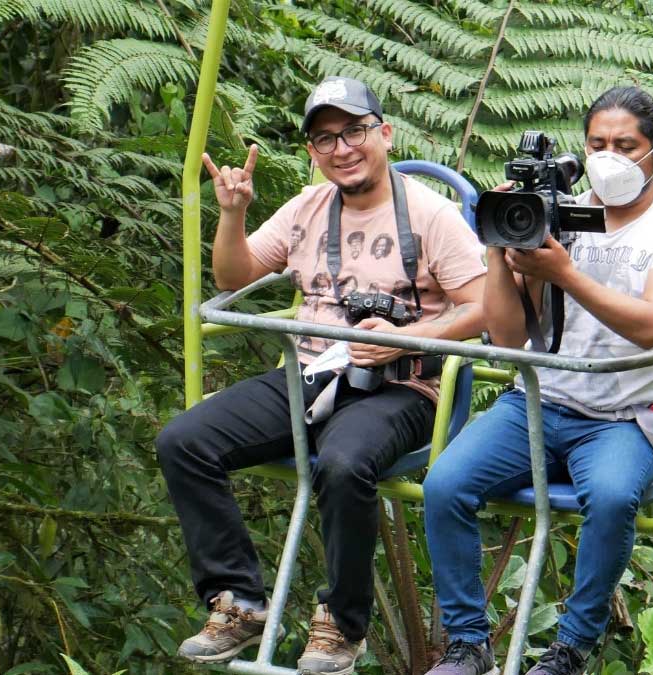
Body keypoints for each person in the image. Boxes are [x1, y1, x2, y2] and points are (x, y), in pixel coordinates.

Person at [156, 75, 487, 675]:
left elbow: (484, 306)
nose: (342, 148)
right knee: (184, 442)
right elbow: (234, 277)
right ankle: (238, 601)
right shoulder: (306, 208)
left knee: (342, 460)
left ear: (383, 133)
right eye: (325, 138)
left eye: (354, 131)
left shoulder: (432, 215)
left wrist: (404, 339)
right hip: (312, 369)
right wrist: (231, 214)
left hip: (402, 384)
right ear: (312, 152)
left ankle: (343, 622)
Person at [421, 86, 653, 675]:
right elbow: (507, 337)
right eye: (597, 143)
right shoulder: (556, 214)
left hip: (630, 416)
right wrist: (502, 252)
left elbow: (651, 327)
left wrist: (565, 273)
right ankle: (467, 644)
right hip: (539, 401)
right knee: (444, 484)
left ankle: (569, 649)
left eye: (625, 146)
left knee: (610, 497)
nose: (609, 157)